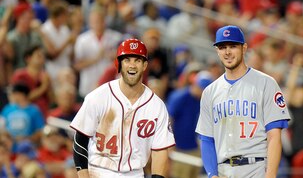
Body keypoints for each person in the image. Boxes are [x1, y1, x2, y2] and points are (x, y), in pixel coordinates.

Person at [70, 38, 175, 178]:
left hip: (135, 174)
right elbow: (80, 141)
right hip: (98, 171)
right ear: (119, 64)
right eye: (127, 60)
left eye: (137, 60)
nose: (132, 65)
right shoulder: (98, 97)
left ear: (144, 65)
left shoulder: (156, 106)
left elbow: (160, 151)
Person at [195, 25, 291, 178]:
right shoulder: (210, 92)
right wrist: (212, 175)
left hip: (256, 168)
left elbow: (274, 135)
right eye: (222, 47)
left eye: (233, 46)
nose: (227, 52)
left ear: (244, 48)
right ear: (217, 51)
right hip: (223, 170)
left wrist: (271, 174)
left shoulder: (266, 83)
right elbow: (207, 139)